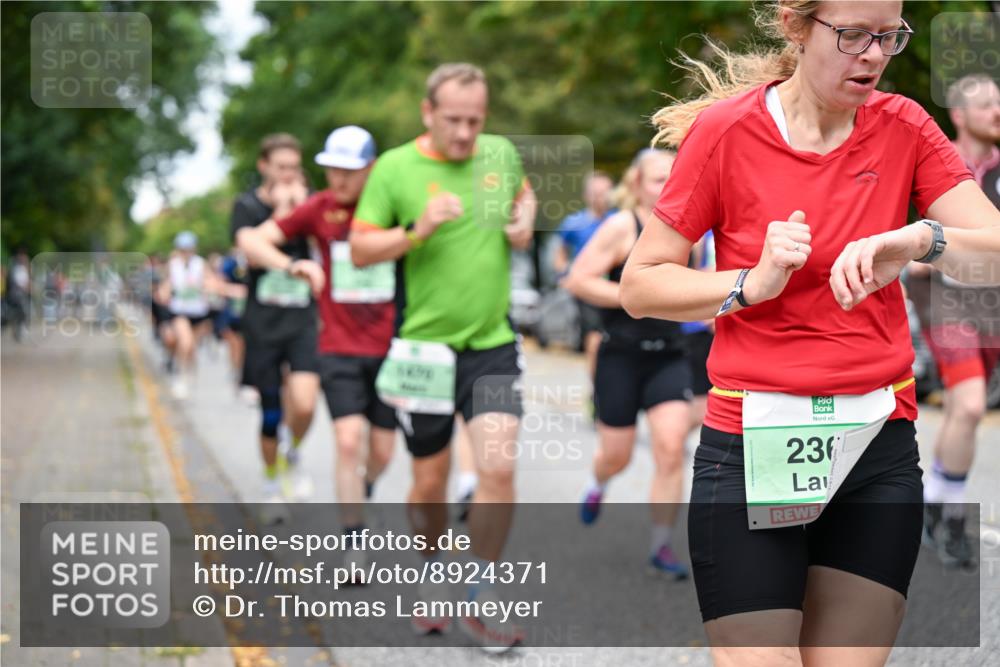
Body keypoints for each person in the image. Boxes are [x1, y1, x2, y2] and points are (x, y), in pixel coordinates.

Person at [620, 1, 999, 665]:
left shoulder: (904, 126)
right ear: (797, 26)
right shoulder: (725, 133)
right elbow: (642, 284)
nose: (874, 55)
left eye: (889, 36)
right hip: (752, 443)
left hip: (874, 445)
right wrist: (748, 283)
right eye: (853, 34)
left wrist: (920, 238)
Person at [349, 62, 535, 651]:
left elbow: (523, 201)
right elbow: (358, 249)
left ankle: (480, 599)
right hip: (423, 352)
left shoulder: (500, 153)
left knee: (498, 469)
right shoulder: (395, 168)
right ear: (427, 112)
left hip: (492, 344)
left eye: (474, 120)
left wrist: (525, 219)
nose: (464, 133)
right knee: (428, 482)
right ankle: (431, 570)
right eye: (452, 120)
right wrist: (416, 230)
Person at [237, 125, 396, 567]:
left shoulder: (393, 207)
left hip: (389, 347)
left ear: (371, 169)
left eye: (349, 171)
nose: (339, 180)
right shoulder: (318, 208)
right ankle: (353, 540)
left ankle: (361, 494)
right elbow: (252, 240)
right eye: (331, 170)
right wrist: (294, 264)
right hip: (335, 342)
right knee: (347, 441)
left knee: (382, 452)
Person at [563, 148, 691, 579]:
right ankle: (598, 481)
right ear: (636, 183)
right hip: (621, 356)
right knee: (616, 456)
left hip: (669, 355)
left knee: (671, 448)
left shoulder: (689, 229)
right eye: (658, 179)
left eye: (673, 178)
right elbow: (578, 279)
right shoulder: (622, 226)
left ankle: (661, 544)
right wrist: (634, 294)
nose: (666, 186)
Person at [907, 74, 999, 569]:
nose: (997, 112)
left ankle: (933, 504)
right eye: (986, 105)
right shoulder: (936, 167)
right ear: (959, 115)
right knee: (966, 406)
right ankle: (954, 518)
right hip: (947, 301)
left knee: (972, 409)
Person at [230, 133, 321, 525]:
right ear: (264, 166)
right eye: (281, 167)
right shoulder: (247, 206)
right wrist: (283, 211)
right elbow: (246, 251)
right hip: (263, 323)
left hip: (303, 320)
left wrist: (301, 209)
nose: (288, 174)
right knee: (270, 412)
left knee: (304, 403)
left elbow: (328, 248)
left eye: (294, 167)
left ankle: (293, 450)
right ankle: (271, 484)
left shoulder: (312, 203)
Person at [553, 171, 615, 388]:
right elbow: (559, 255)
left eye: (606, 192)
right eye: (597, 193)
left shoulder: (619, 219)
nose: (602, 198)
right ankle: (597, 387)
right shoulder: (574, 222)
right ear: (587, 195)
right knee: (595, 339)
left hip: (615, 287)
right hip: (588, 289)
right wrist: (565, 275)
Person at [159, 232, 217, 399]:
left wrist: (210, 288)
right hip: (180, 311)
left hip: (199, 312)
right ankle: (181, 377)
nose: (186, 252)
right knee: (185, 342)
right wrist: (164, 291)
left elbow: (210, 281)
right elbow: (166, 284)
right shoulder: (173, 265)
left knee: (192, 347)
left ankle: (190, 372)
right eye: (183, 249)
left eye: (189, 249)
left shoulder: (201, 264)